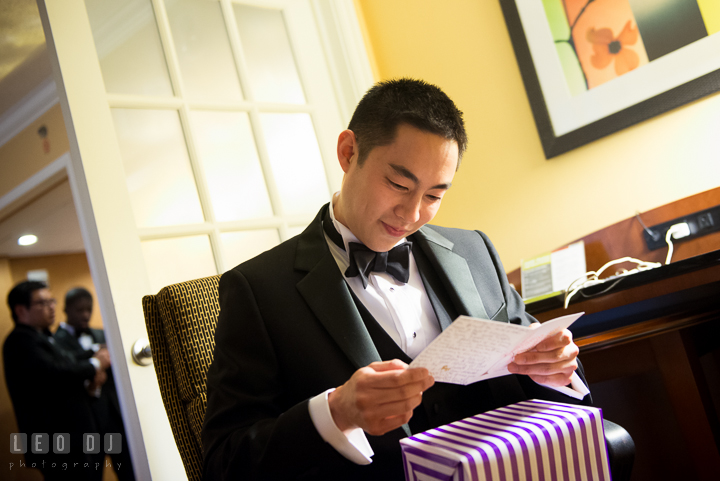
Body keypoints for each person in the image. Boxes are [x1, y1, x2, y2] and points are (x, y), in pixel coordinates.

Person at [202, 78, 590, 480]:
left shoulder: (476, 251)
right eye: (399, 185)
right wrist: (335, 412)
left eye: (434, 196)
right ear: (349, 153)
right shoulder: (259, 291)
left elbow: (546, 379)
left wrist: (558, 371)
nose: (411, 213)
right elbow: (223, 463)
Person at [4, 281, 110, 481]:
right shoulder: (21, 341)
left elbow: (68, 360)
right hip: (56, 443)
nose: (51, 307)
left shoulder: (41, 337)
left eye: (51, 301)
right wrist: (94, 364)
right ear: (21, 310)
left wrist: (93, 359)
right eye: (43, 303)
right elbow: (55, 372)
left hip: (70, 440)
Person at [53, 287, 135, 481]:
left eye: (89, 309)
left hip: (114, 417)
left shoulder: (103, 335)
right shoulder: (56, 343)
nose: (85, 314)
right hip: (84, 422)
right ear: (66, 309)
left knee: (129, 471)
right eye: (79, 310)